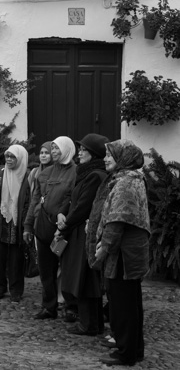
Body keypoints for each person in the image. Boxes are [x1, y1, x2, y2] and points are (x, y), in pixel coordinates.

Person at [92, 140, 150, 367]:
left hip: (124, 255)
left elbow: (117, 220)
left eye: (110, 155)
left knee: (124, 305)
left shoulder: (126, 183)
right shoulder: (131, 180)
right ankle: (134, 349)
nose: (105, 158)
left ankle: (126, 354)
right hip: (130, 252)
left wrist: (103, 248)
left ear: (123, 159)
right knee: (131, 304)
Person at [55, 133, 109, 336]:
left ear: (94, 154)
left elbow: (83, 207)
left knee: (85, 279)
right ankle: (92, 323)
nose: (80, 153)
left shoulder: (95, 175)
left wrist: (64, 226)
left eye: (84, 150)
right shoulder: (86, 173)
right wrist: (63, 214)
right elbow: (73, 200)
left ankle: (88, 324)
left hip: (84, 233)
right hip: (79, 231)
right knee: (85, 279)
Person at [23, 136, 77, 320]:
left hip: (66, 228)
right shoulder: (44, 174)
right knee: (46, 270)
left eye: (57, 149)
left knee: (69, 269)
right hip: (44, 227)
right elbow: (35, 201)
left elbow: (76, 201)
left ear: (67, 150)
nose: (53, 152)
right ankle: (49, 306)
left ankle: (71, 307)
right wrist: (28, 225)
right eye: (51, 148)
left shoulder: (77, 173)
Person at [0, 144, 30, 302]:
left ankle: (16, 290)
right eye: (7, 156)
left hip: (18, 223)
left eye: (12, 156)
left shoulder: (27, 176)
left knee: (17, 259)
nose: (8, 159)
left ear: (20, 158)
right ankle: (0, 287)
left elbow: (31, 199)